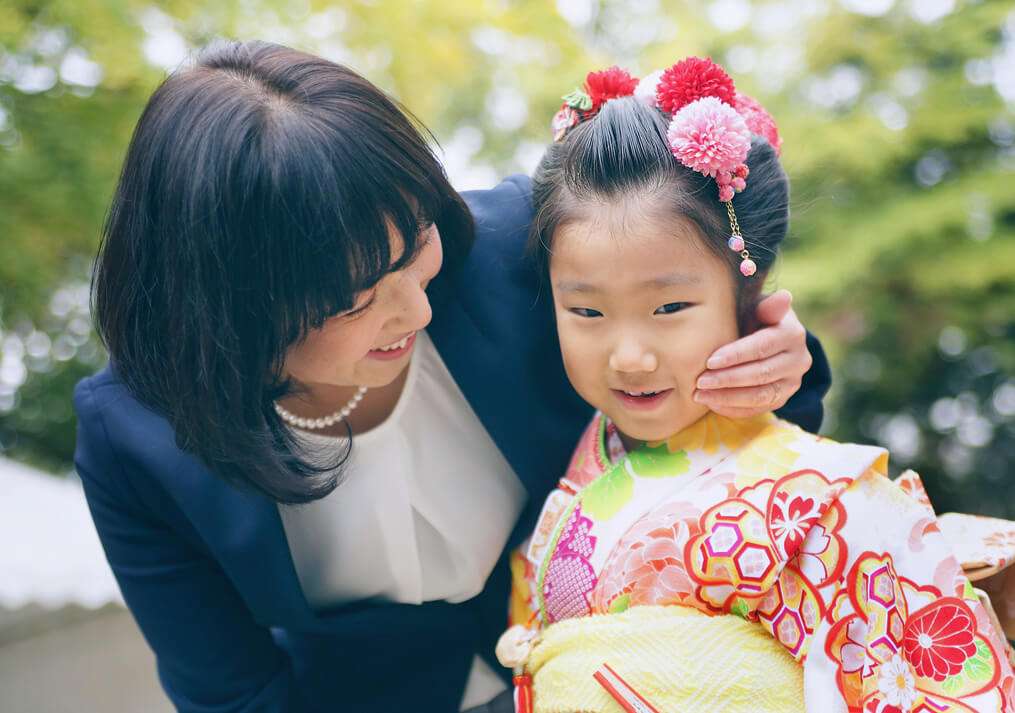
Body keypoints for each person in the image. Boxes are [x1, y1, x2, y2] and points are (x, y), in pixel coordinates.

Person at [73, 42, 830, 713]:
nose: (415, 307)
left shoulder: (507, 252)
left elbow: (681, 345)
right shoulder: (134, 437)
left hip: (618, 665)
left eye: (416, 248)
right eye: (355, 299)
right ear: (229, 310)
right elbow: (232, 693)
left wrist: (761, 358)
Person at [497, 60, 1015, 712]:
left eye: (669, 309)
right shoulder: (578, 473)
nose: (628, 356)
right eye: (587, 312)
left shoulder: (822, 502)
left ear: (748, 292)